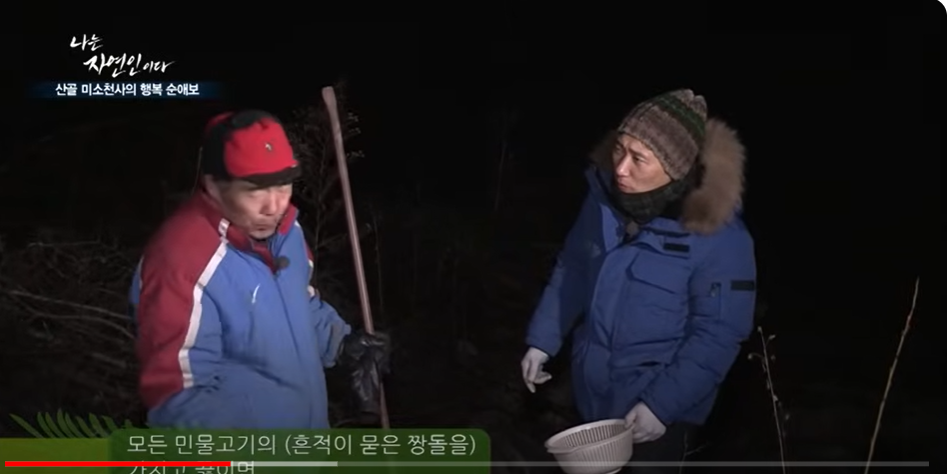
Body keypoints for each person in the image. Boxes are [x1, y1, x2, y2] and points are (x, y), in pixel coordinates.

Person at [521, 90, 756, 472]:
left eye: (639, 158)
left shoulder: (721, 238)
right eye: (619, 149)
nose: (620, 168)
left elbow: (718, 333)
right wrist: (543, 339)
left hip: (661, 415)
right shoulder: (602, 201)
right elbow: (574, 267)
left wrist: (660, 406)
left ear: (676, 169)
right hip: (594, 396)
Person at [128, 109, 390, 429]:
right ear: (214, 185)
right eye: (255, 189)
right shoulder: (182, 260)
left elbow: (298, 303)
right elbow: (178, 401)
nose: (274, 206)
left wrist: (342, 345)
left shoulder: (287, 232)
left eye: (283, 185)